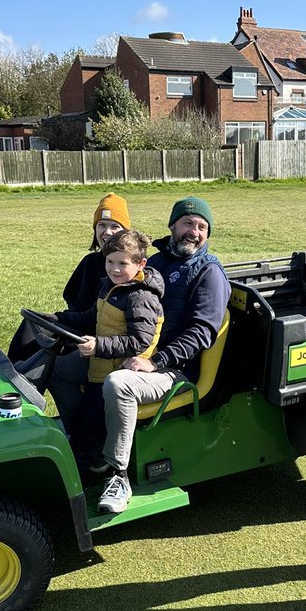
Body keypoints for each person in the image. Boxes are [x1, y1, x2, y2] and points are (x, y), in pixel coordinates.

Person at [97, 196, 230, 515]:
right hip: (141, 354)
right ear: (172, 225)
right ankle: (81, 448)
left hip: (175, 371)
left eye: (202, 227)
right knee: (69, 363)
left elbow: (201, 333)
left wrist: (155, 362)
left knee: (119, 384)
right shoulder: (154, 262)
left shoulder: (210, 274)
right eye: (187, 223)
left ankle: (118, 476)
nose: (194, 232)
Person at [46, 229, 164, 472]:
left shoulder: (140, 297)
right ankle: (76, 439)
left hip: (118, 370)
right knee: (63, 382)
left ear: (140, 264)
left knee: (92, 424)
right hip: (101, 366)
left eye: (122, 263)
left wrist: (99, 346)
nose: (115, 269)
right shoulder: (111, 286)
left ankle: (94, 464)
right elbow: (93, 316)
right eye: (110, 262)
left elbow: (140, 341)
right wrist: (58, 318)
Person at [6, 192, 131, 364]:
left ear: (126, 232)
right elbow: (74, 304)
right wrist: (58, 318)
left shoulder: (127, 269)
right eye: (101, 225)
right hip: (76, 324)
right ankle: (10, 376)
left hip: (101, 338)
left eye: (114, 226)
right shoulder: (89, 262)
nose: (107, 232)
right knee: (32, 325)